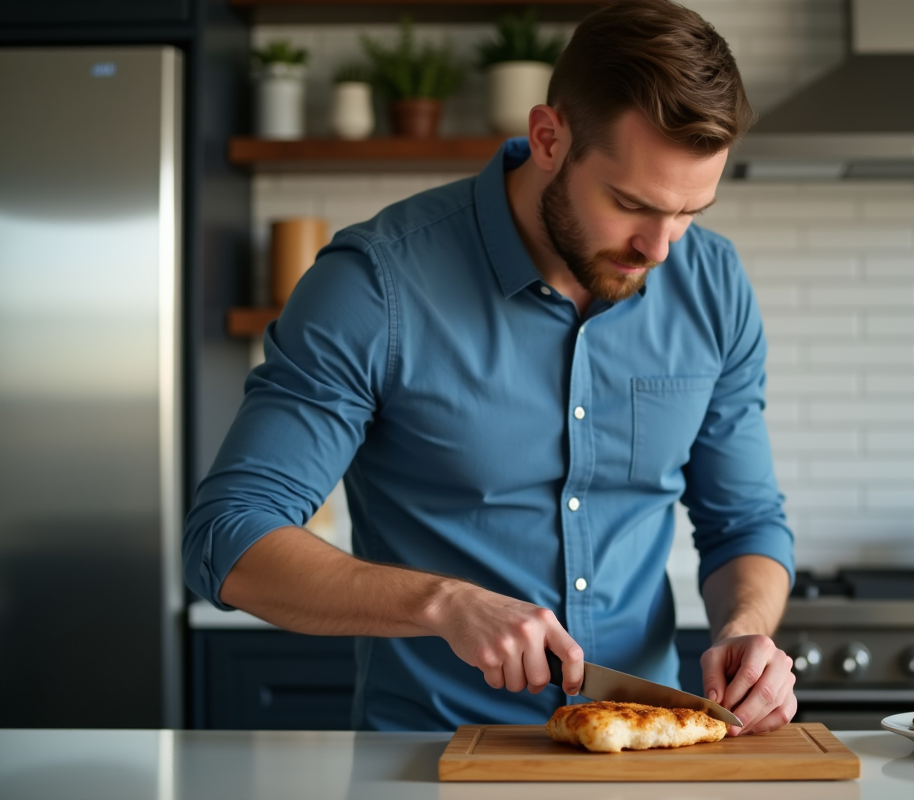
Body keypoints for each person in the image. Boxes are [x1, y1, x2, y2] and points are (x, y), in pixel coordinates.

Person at [183, 0, 798, 734]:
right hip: (431, 762)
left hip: (649, 753)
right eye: (631, 204)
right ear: (547, 138)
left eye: (690, 211)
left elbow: (745, 524)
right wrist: (442, 605)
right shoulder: (375, 284)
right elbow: (228, 536)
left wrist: (743, 628)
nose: (660, 249)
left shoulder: (712, 285)